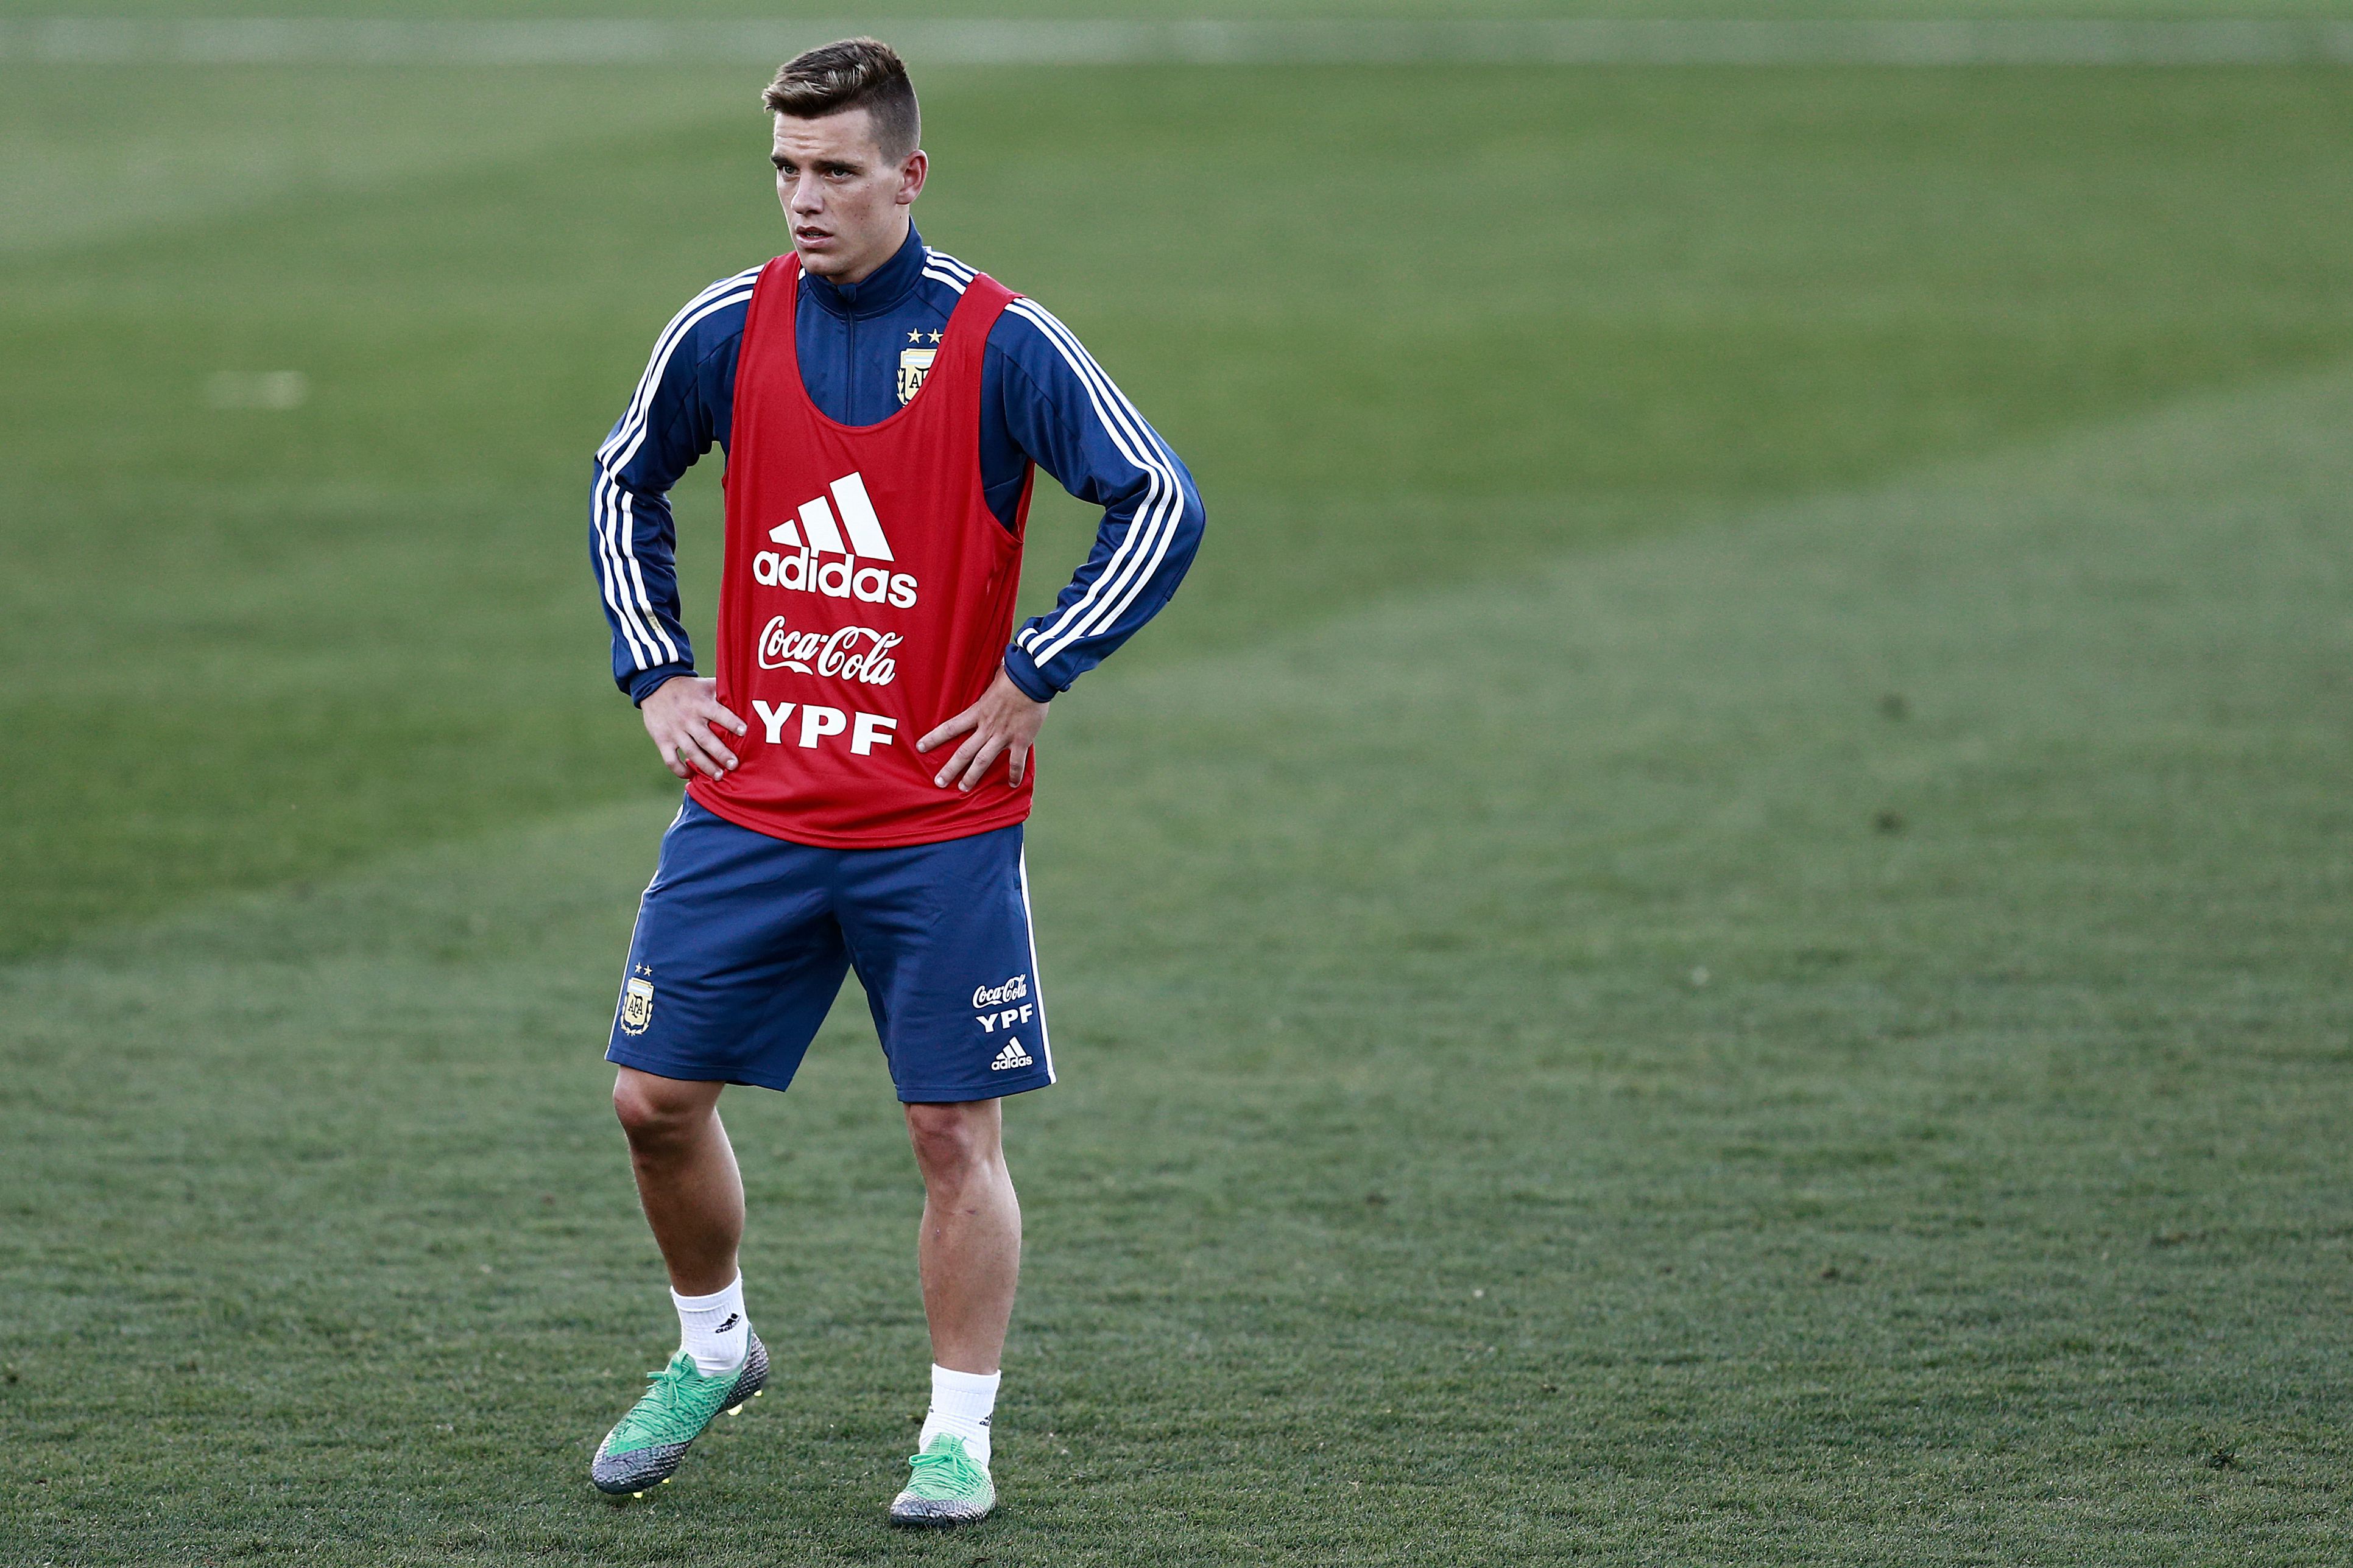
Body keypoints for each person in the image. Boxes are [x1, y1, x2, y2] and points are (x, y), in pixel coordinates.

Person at [582, 37, 1204, 1527]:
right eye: (787, 168)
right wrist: (660, 670)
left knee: (949, 1135)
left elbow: (1159, 500)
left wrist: (1036, 669)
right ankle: (715, 1348)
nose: (806, 197)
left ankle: (956, 1438)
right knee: (651, 1100)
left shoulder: (1001, 341)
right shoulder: (728, 326)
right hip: (754, 806)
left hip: (935, 824)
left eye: (838, 170)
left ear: (909, 176)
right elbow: (623, 478)